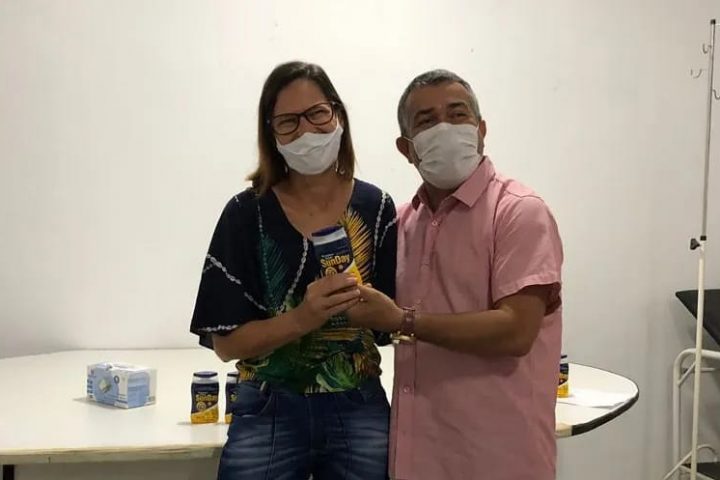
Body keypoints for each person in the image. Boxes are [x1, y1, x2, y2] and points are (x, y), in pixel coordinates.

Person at [347, 69, 563, 480]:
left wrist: (403, 321)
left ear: (481, 130)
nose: (444, 128)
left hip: (498, 460)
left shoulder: (518, 212)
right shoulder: (402, 224)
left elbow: (517, 331)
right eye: (426, 120)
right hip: (418, 458)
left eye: (457, 114)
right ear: (406, 148)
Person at [190, 61, 397, 480]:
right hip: (268, 406)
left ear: (338, 115)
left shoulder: (377, 208)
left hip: (358, 407)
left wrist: (376, 312)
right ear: (271, 134)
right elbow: (227, 344)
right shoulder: (245, 214)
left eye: (317, 113)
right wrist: (303, 318)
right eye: (288, 122)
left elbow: (389, 326)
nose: (306, 131)